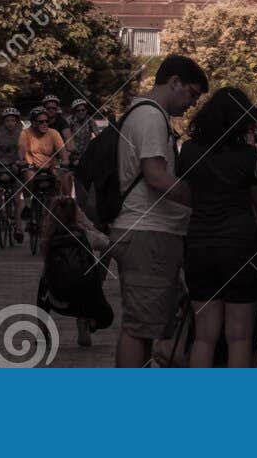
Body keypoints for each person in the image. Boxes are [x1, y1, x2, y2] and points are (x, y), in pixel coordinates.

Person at [109, 53, 208, 368]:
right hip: (147, 232)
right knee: (139, 328)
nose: (191, 104)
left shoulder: (141, 113)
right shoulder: (151, 117)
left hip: (145, 231)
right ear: (174, 82)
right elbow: (155, 175)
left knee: (146, 325)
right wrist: (196, 198)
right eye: (191, 94)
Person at [178, 85, 257, 368]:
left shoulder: (189, 152)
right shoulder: (249, 157)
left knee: (204, 335)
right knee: (240, 336)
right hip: (240, 244)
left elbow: (187, 194)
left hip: (200, 243)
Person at [38, 194, 114, 347]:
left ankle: (42, 329)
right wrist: (99, 276)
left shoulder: (47, 240)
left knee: (44, 281)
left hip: (59, 299)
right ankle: (87, 320)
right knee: (86, 284)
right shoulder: (85, 235)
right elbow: (108, 245)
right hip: (87, 297)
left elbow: (49, 268)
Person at [20, 104, 68, 214]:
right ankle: (27, 205)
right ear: (33, 122)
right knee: (28, 176)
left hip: (50, 165)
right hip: (33, 165)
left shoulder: (54, 133)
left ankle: (60, 203)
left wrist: (64, 162)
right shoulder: (25, 133)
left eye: (46, 121)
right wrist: (28, 163)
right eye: (40, 122)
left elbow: (63, 153)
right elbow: (24, 152)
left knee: (61, 176)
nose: (44, 124)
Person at [0, 105, 26, 242]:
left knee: (17, 199)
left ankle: (19, 227)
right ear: (4, 123)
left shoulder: (22, 135)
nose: (10, 123)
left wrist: (22, 161)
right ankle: (1, 207)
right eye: (7, 121)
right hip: (2, 168)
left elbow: (24, 150)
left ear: (17, 122)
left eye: (13, 120)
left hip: (16, 169)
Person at [64, 99, 93, 171]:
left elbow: (98, 137)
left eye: (83, 110)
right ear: (74, 112)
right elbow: (65, 139)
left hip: (86, 155)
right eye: (78, 110)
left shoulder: (90, 121)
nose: (81, 112)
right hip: (72, 155)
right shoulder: (69, 121)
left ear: (86, 110)